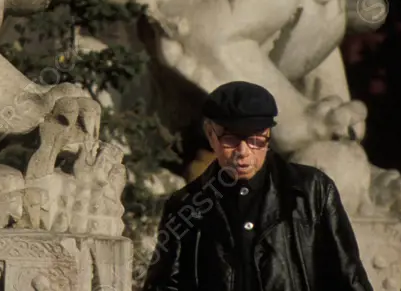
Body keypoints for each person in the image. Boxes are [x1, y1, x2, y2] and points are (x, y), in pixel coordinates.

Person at [141, 81, 371, 291]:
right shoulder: (186, 206)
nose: (243, 153)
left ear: (268, 135)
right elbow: (163, 285)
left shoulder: (312, 191)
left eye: (255, 140)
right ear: (211, 135)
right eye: (230, 139)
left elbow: (349, 278)